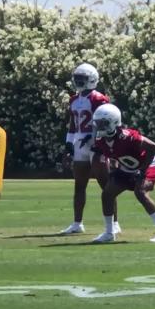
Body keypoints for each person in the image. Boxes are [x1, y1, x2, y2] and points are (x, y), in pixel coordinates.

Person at [90, 103, 155, 243]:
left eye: (103, 123)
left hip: (148, 163)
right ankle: (109, 233)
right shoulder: (101, 141)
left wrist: (142, 171)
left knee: (140, 192)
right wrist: (115, 169)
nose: (99, 127)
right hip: (128, 167)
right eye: (98, 123)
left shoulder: (128, 136)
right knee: (107, 194)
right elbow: (113, 155)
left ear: (113, 123)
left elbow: (153, 147)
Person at [60, 63, 120, 235]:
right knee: (79, 185)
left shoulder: (98, 99)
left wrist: (96, 140)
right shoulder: (74, 100)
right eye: (77, 78)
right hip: (79, 142)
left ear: (92, 79)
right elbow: (73, 125)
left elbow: (104, 123)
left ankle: (114, 223)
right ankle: (77, 223)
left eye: (82, 79)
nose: (78, 81)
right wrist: (68, 145)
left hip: (96, 144)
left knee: (106, 185)